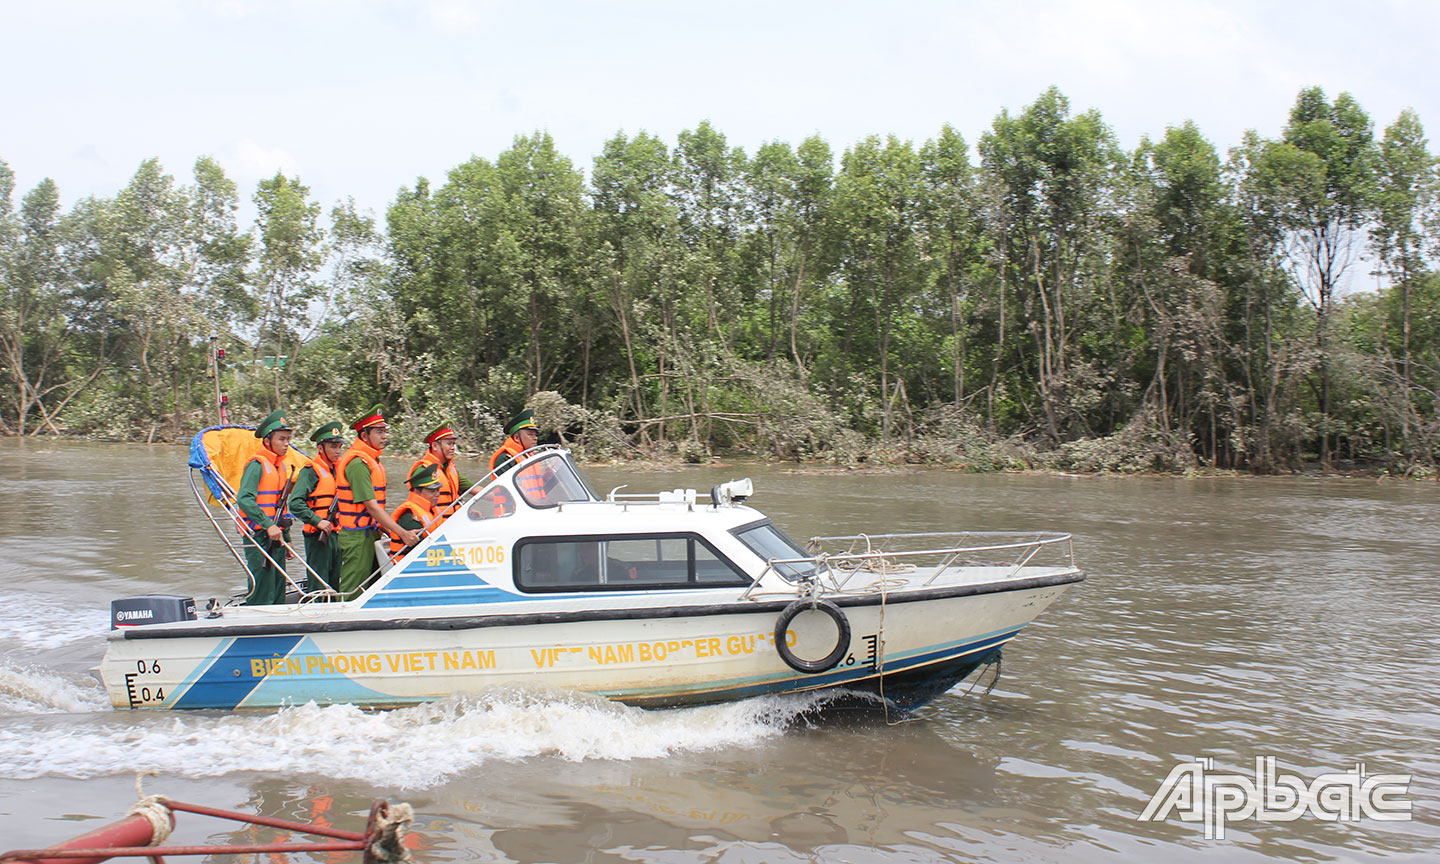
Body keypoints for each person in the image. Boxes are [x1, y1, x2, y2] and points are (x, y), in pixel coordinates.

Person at [333, 406, 419, 597]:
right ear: (364, 435)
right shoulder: (358, 464)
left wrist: (389, 531)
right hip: (356, 537)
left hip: (370, 532)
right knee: (353, 589)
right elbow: (371, 506)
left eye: (384, 432)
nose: (384, 436)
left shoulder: (372, 460)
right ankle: (344, 619)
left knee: (372, 587)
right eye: (379, 432)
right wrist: (402, 533)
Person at [236, 409, 295, 606]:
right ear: (268, 441)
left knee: (279, 586)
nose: (286, 443)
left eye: (288, 439)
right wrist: (267, 524)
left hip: (276, 537)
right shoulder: (257, 465)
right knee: (262, 587)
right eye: (281, 439)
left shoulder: (280, 467)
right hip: (259, 535)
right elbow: (244, 499)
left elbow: (280, 508)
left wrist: (287, 539)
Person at [289, 420, 345, 593]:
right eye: (333, 447)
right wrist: (317, 521)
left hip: (336, 534)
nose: (338, 451)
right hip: (318, 537)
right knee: (319, 583)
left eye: (339, 446)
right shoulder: (310, 471)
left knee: (336, 582)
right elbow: (295, 503)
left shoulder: (339, 470)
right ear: (321, 448)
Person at [410, 425, 470, 519]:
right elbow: (418, 504)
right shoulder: (423, 470)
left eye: (453, 444)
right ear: (435, 446)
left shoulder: (450, 470)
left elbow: (474, 489)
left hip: (453, 522)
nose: (453, 448)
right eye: (449, 444)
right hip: (436, 525)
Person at [387, 462, 442, 560]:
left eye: (438, 490)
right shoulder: (410, 516)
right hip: (407, 567)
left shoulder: (432, 510)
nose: (437, 494)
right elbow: (421, 549)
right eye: (432, 491)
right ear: (417, 491)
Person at [488, 409, 540, 477]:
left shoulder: (527, 456)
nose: (535, 438)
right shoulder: (505, 459)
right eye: (530, 434)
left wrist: (548, 478)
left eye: (535, 435)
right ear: (517, 438)